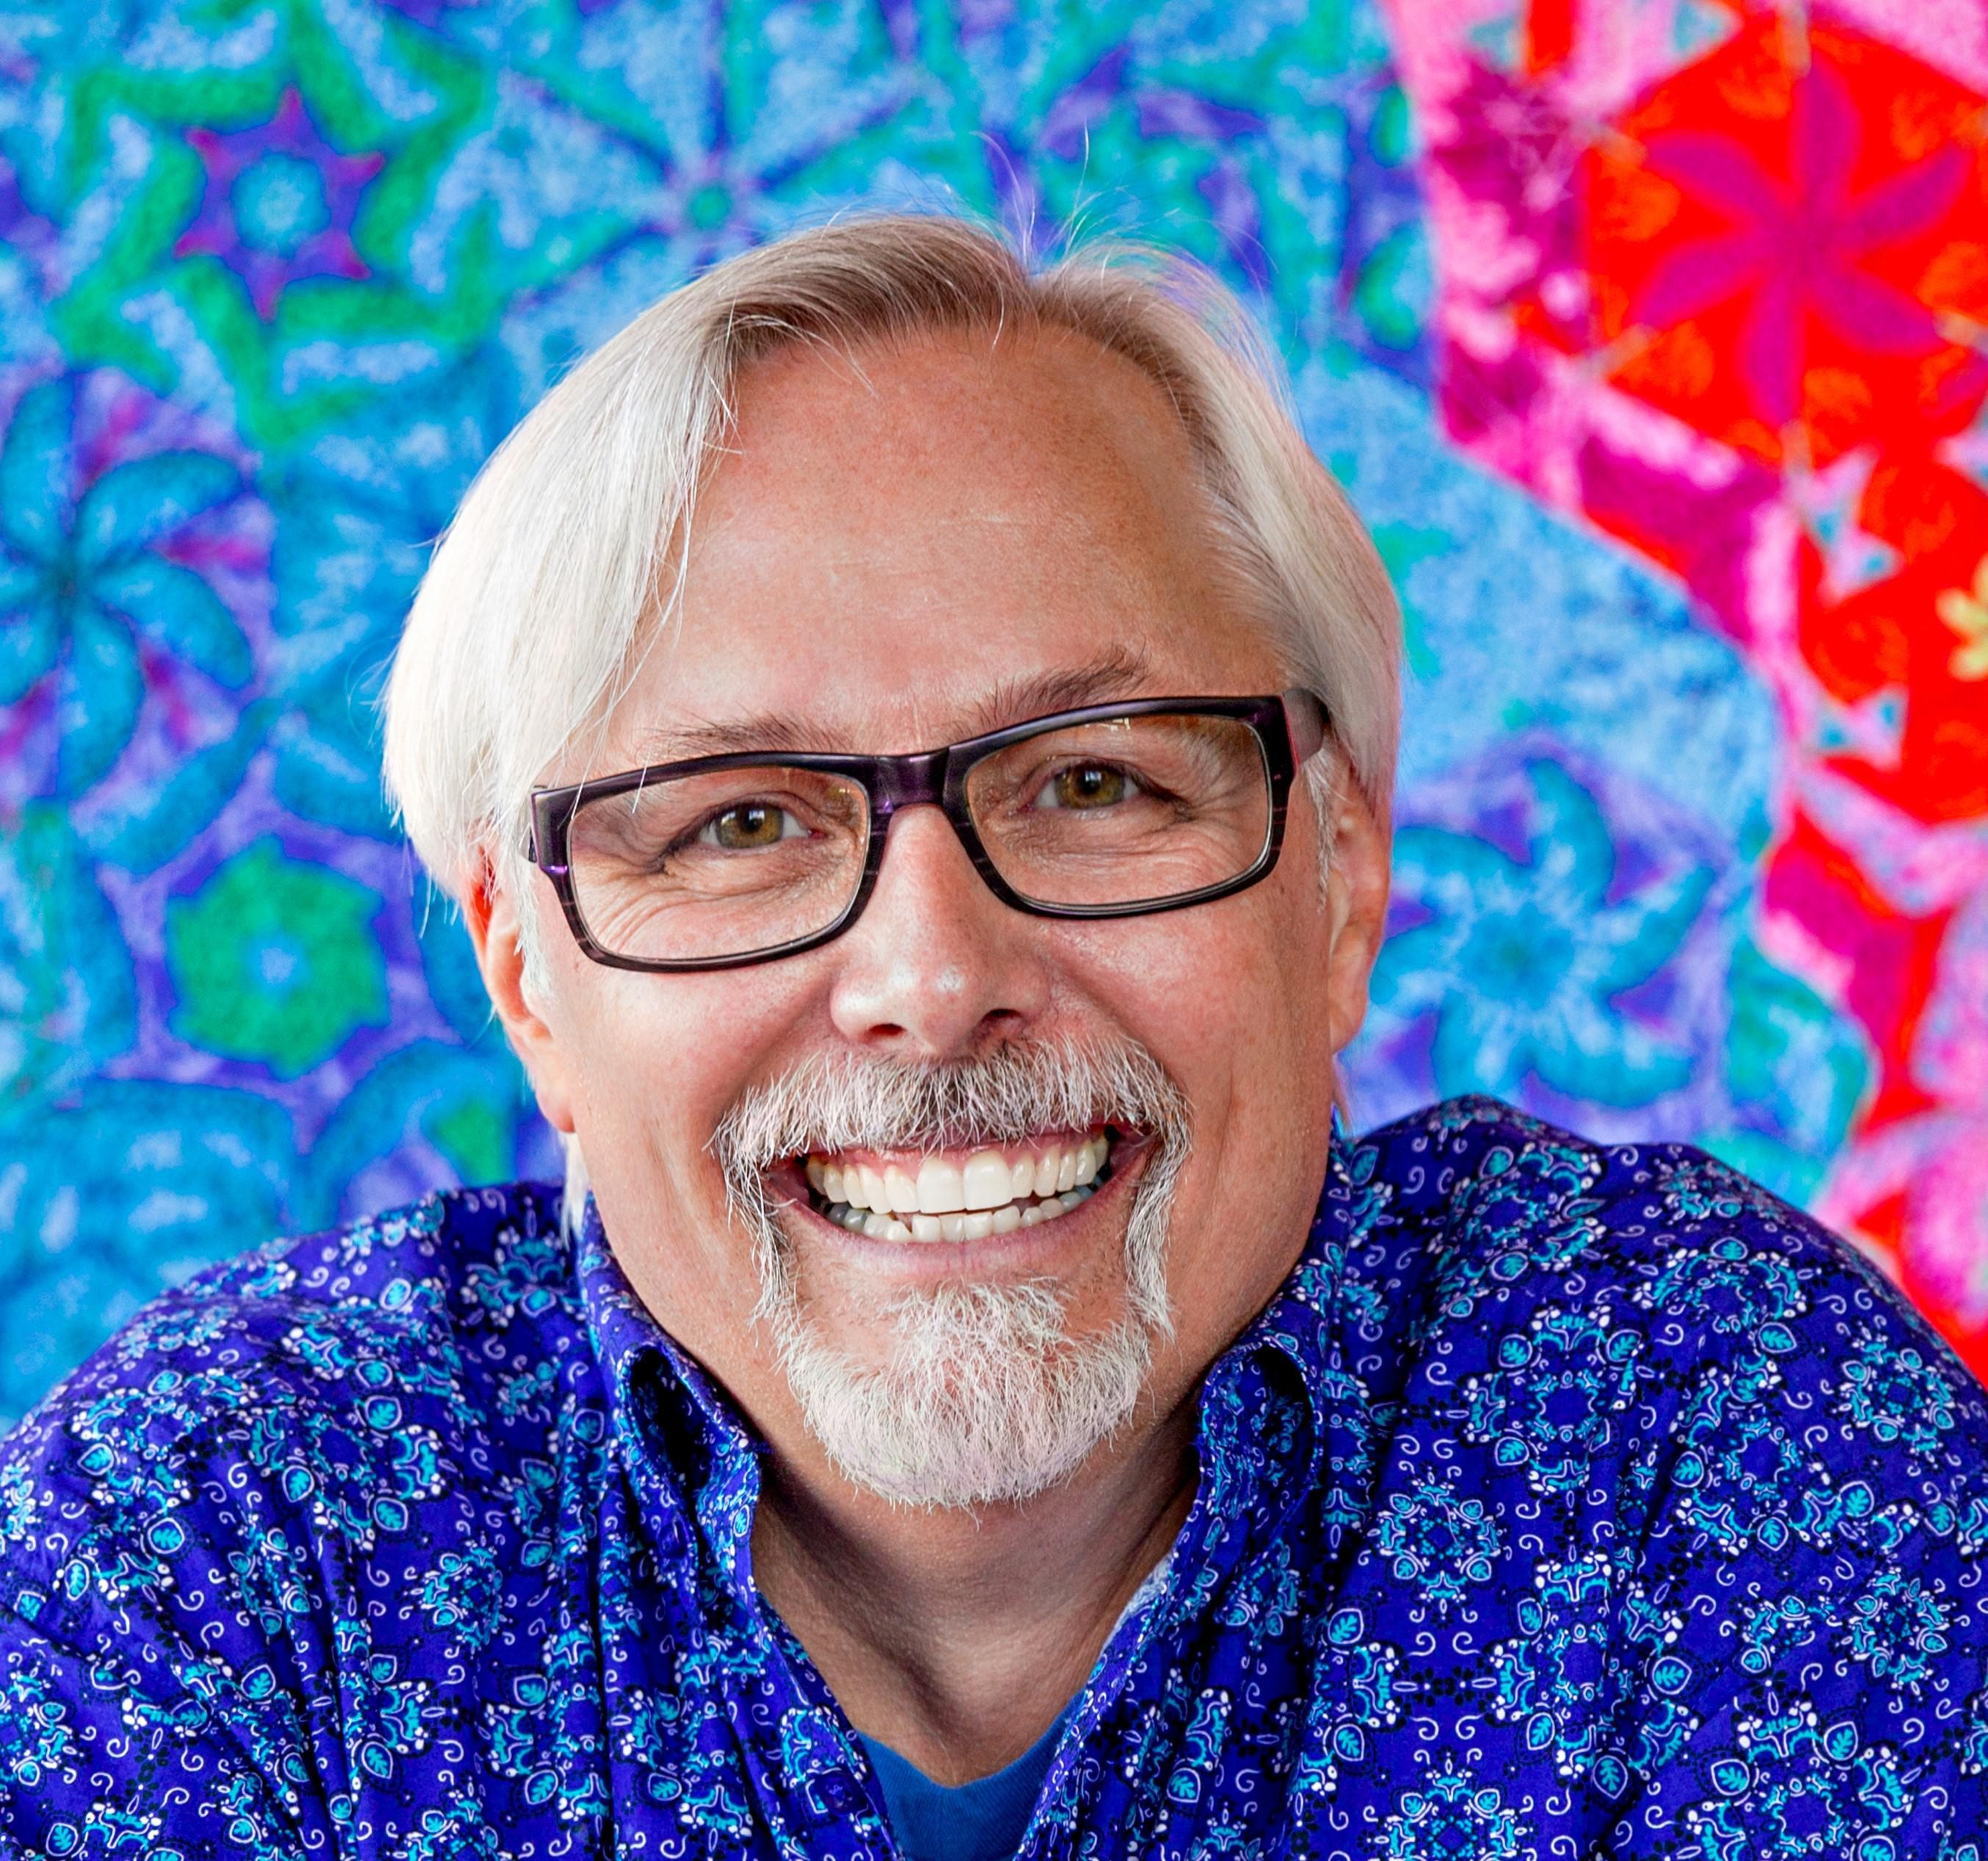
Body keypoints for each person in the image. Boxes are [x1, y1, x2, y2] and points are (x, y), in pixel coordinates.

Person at [1, 213, 1984, 1861]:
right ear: (528, 981)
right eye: (739, 824)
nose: (933, 975)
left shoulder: (1726, 1438)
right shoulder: (209, 1564)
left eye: (1098, 783)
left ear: (1340, 885)